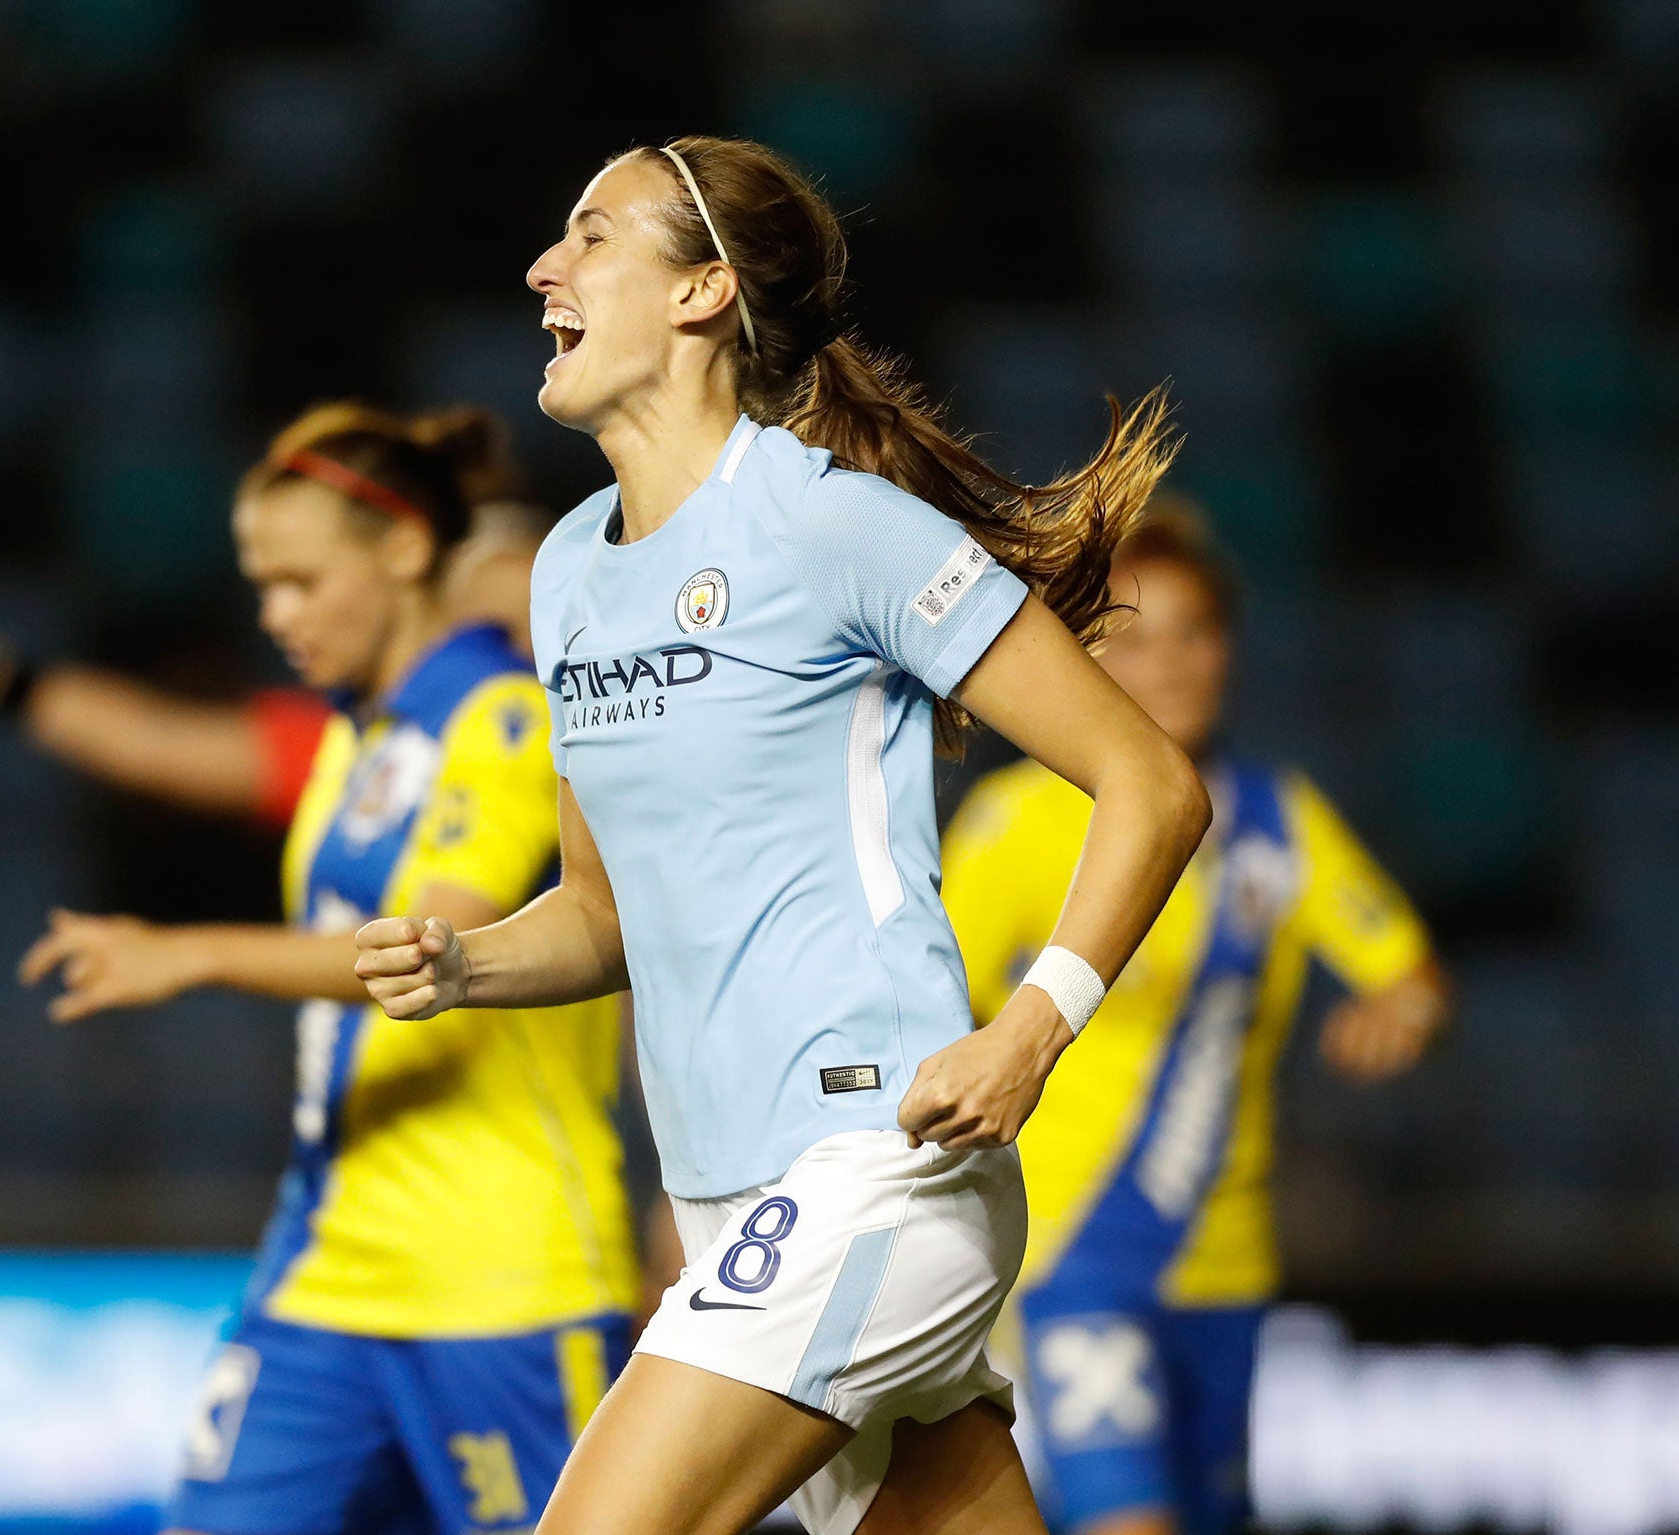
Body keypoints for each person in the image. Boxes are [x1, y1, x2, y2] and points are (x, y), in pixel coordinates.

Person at [353, 136, 1210, 1535]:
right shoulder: (570, 571)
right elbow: (602, 915)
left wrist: (1031, 1028)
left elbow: (1151, 783)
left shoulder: (833, 528)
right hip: (719, 1198)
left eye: (592, 235)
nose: (542, 268)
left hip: (871, 1162)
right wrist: (464, 962)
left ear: (702, 293)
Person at [0, 404, 642, 1535]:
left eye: (300, 582)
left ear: (410, 555)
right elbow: (171, 747)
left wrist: (189, 952)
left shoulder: (513, 724)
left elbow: (418, 953)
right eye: (263, 585)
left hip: (504, 1280)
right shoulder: (353, 743)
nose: (275, 616)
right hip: (326, 1269)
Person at [940, 502, 1453, 1535]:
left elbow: (1406, 972)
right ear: (1082, 659)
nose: (1170, 663)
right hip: (1072, 1252)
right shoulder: (1025, 823)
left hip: (1227, 1266)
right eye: (1133, 637)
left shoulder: (1276, 822)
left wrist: (1399, 1010)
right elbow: (922, 1001)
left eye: (1194, 633)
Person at [0, 497, 558, 830]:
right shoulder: (374, 761)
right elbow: (159, 744)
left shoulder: (631, 758)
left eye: (545, 629)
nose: (514, 660)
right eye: (488, 633)